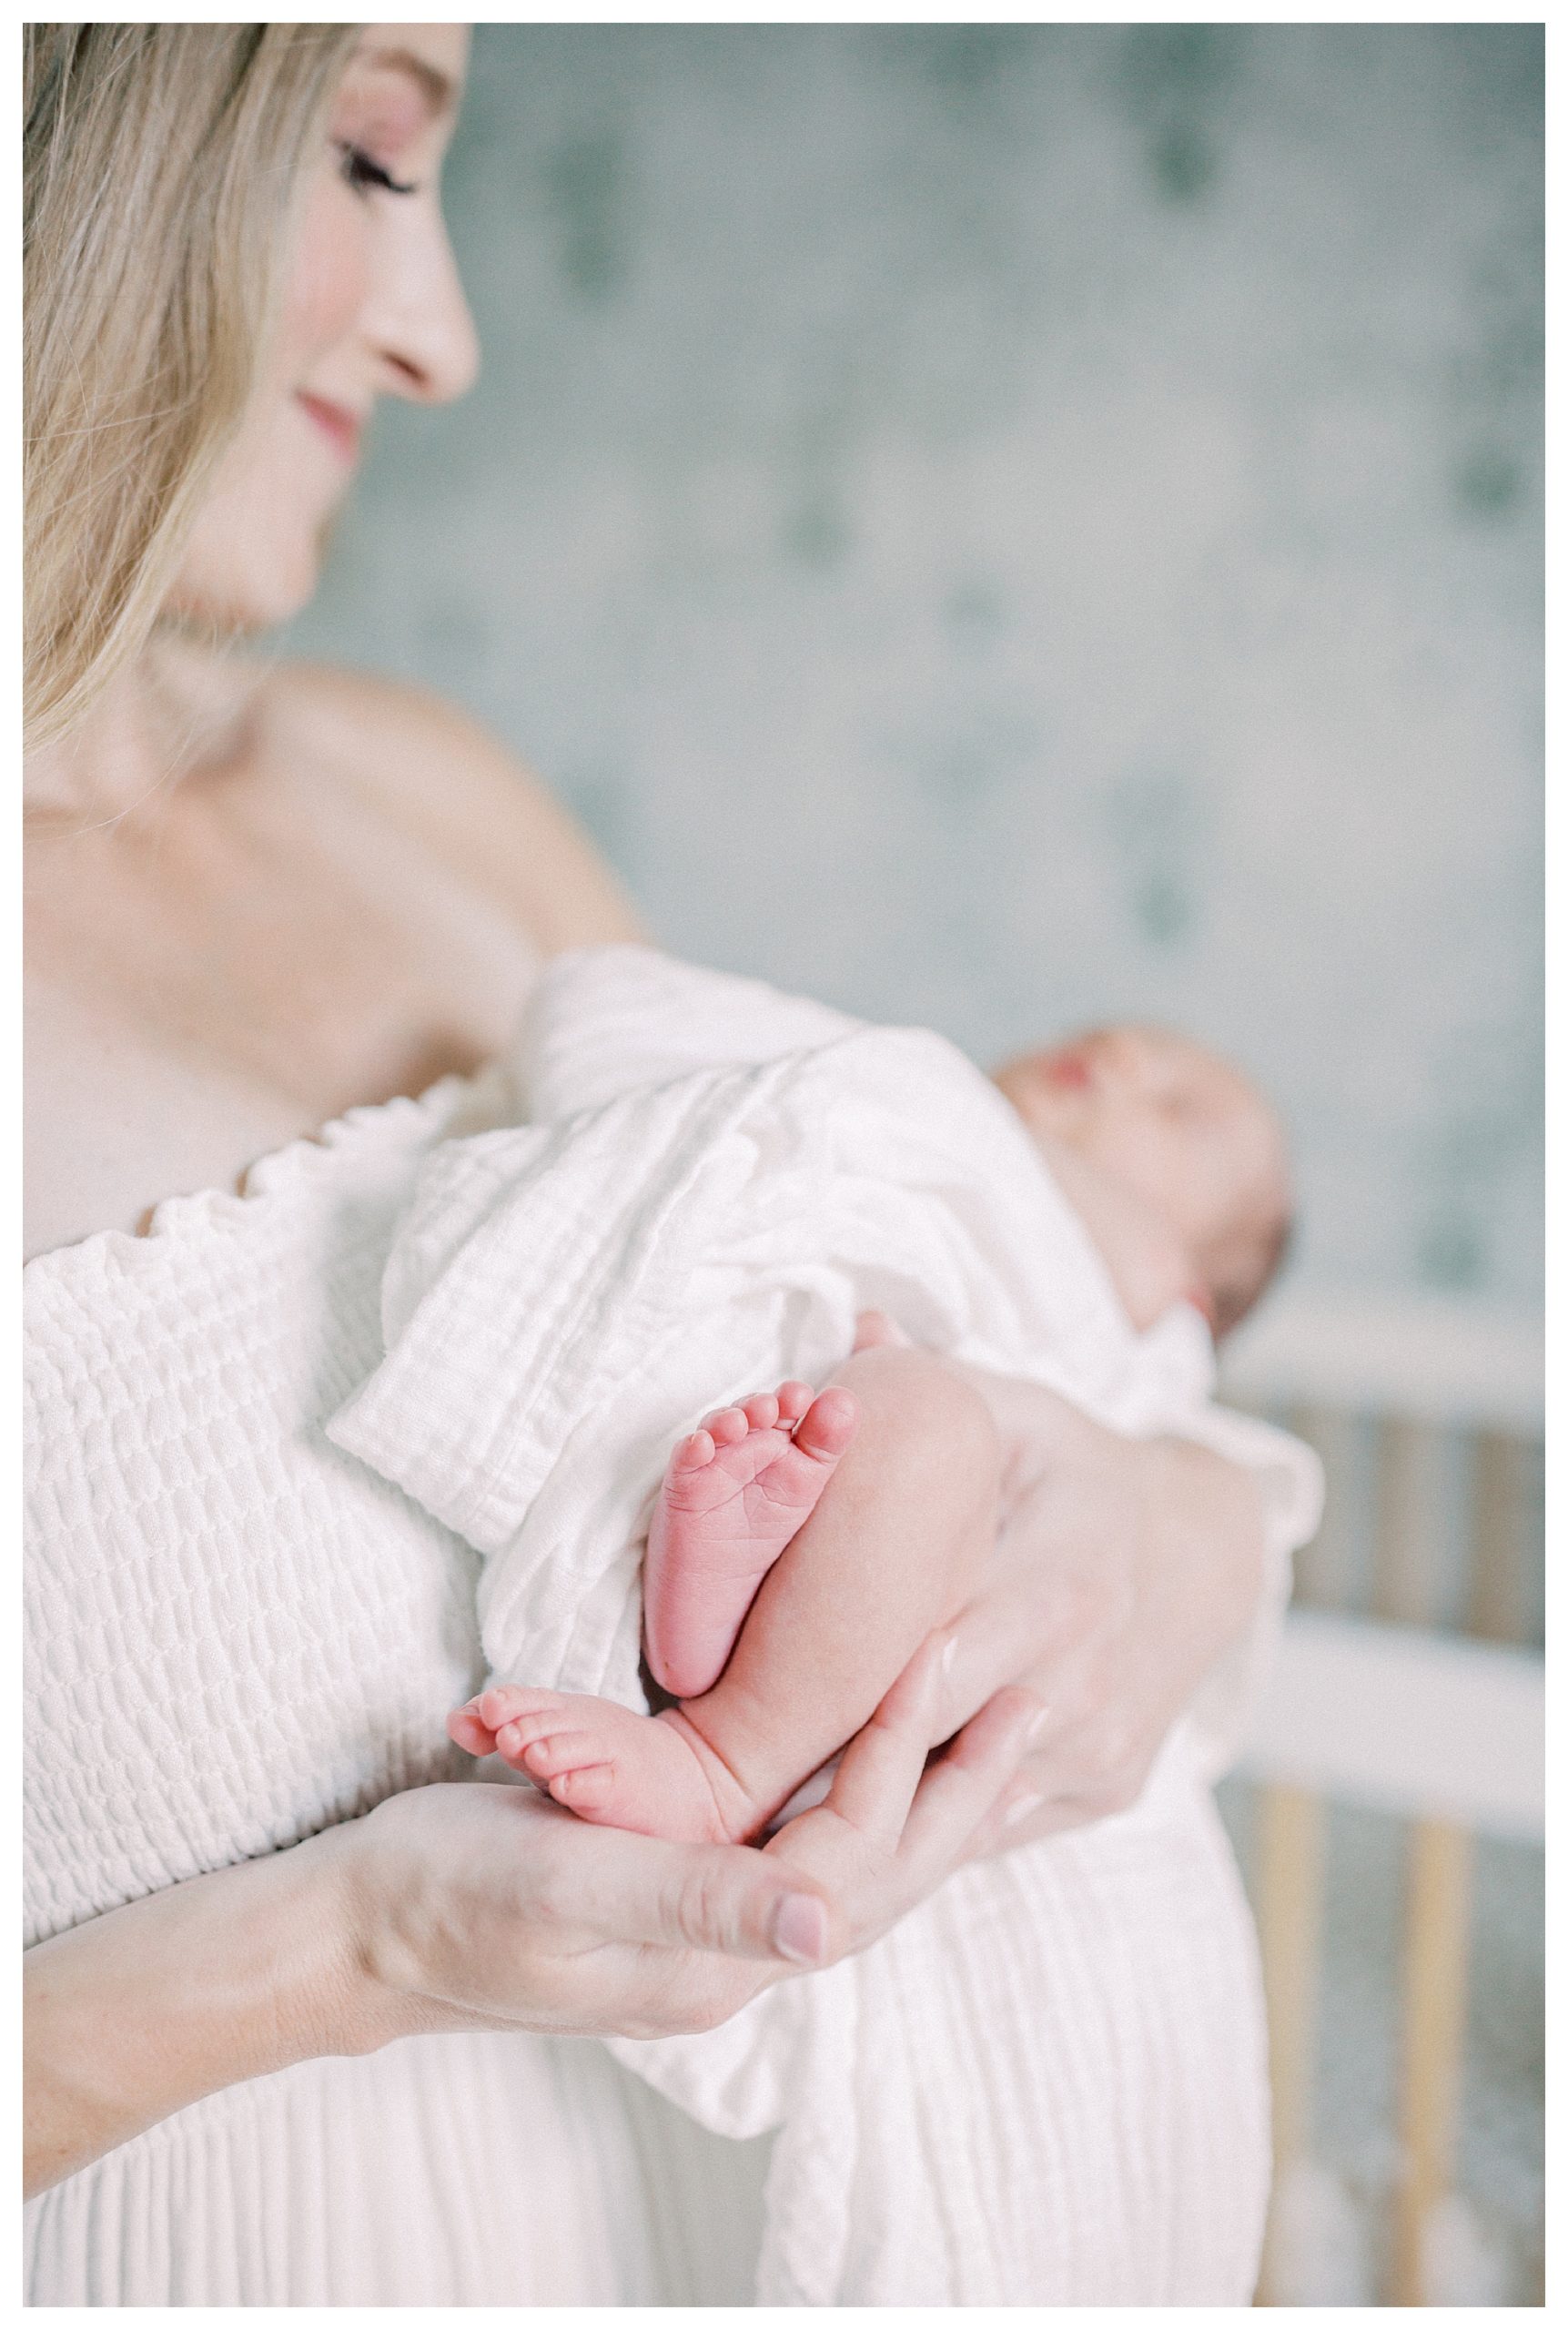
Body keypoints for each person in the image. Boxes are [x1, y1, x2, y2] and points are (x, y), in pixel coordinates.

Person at [24, 25, 1302, 2305]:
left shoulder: (428, 791)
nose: (446, 338)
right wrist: (358, 1933)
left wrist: (1180, 1521)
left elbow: (842, 1271)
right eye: (368, 154)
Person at [451, 991, 1294, 1845]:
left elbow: (1187, 1462)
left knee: (923, 1425)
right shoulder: (910, 1106)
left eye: (1179, 1110)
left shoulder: (1154, 1327)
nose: (1119, 1054)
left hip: (908, 1531)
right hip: (782, 1406)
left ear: (1193, 1292)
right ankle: (706, 1611)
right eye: (1100, 1036)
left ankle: (720, 1760)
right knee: (838, 1422)